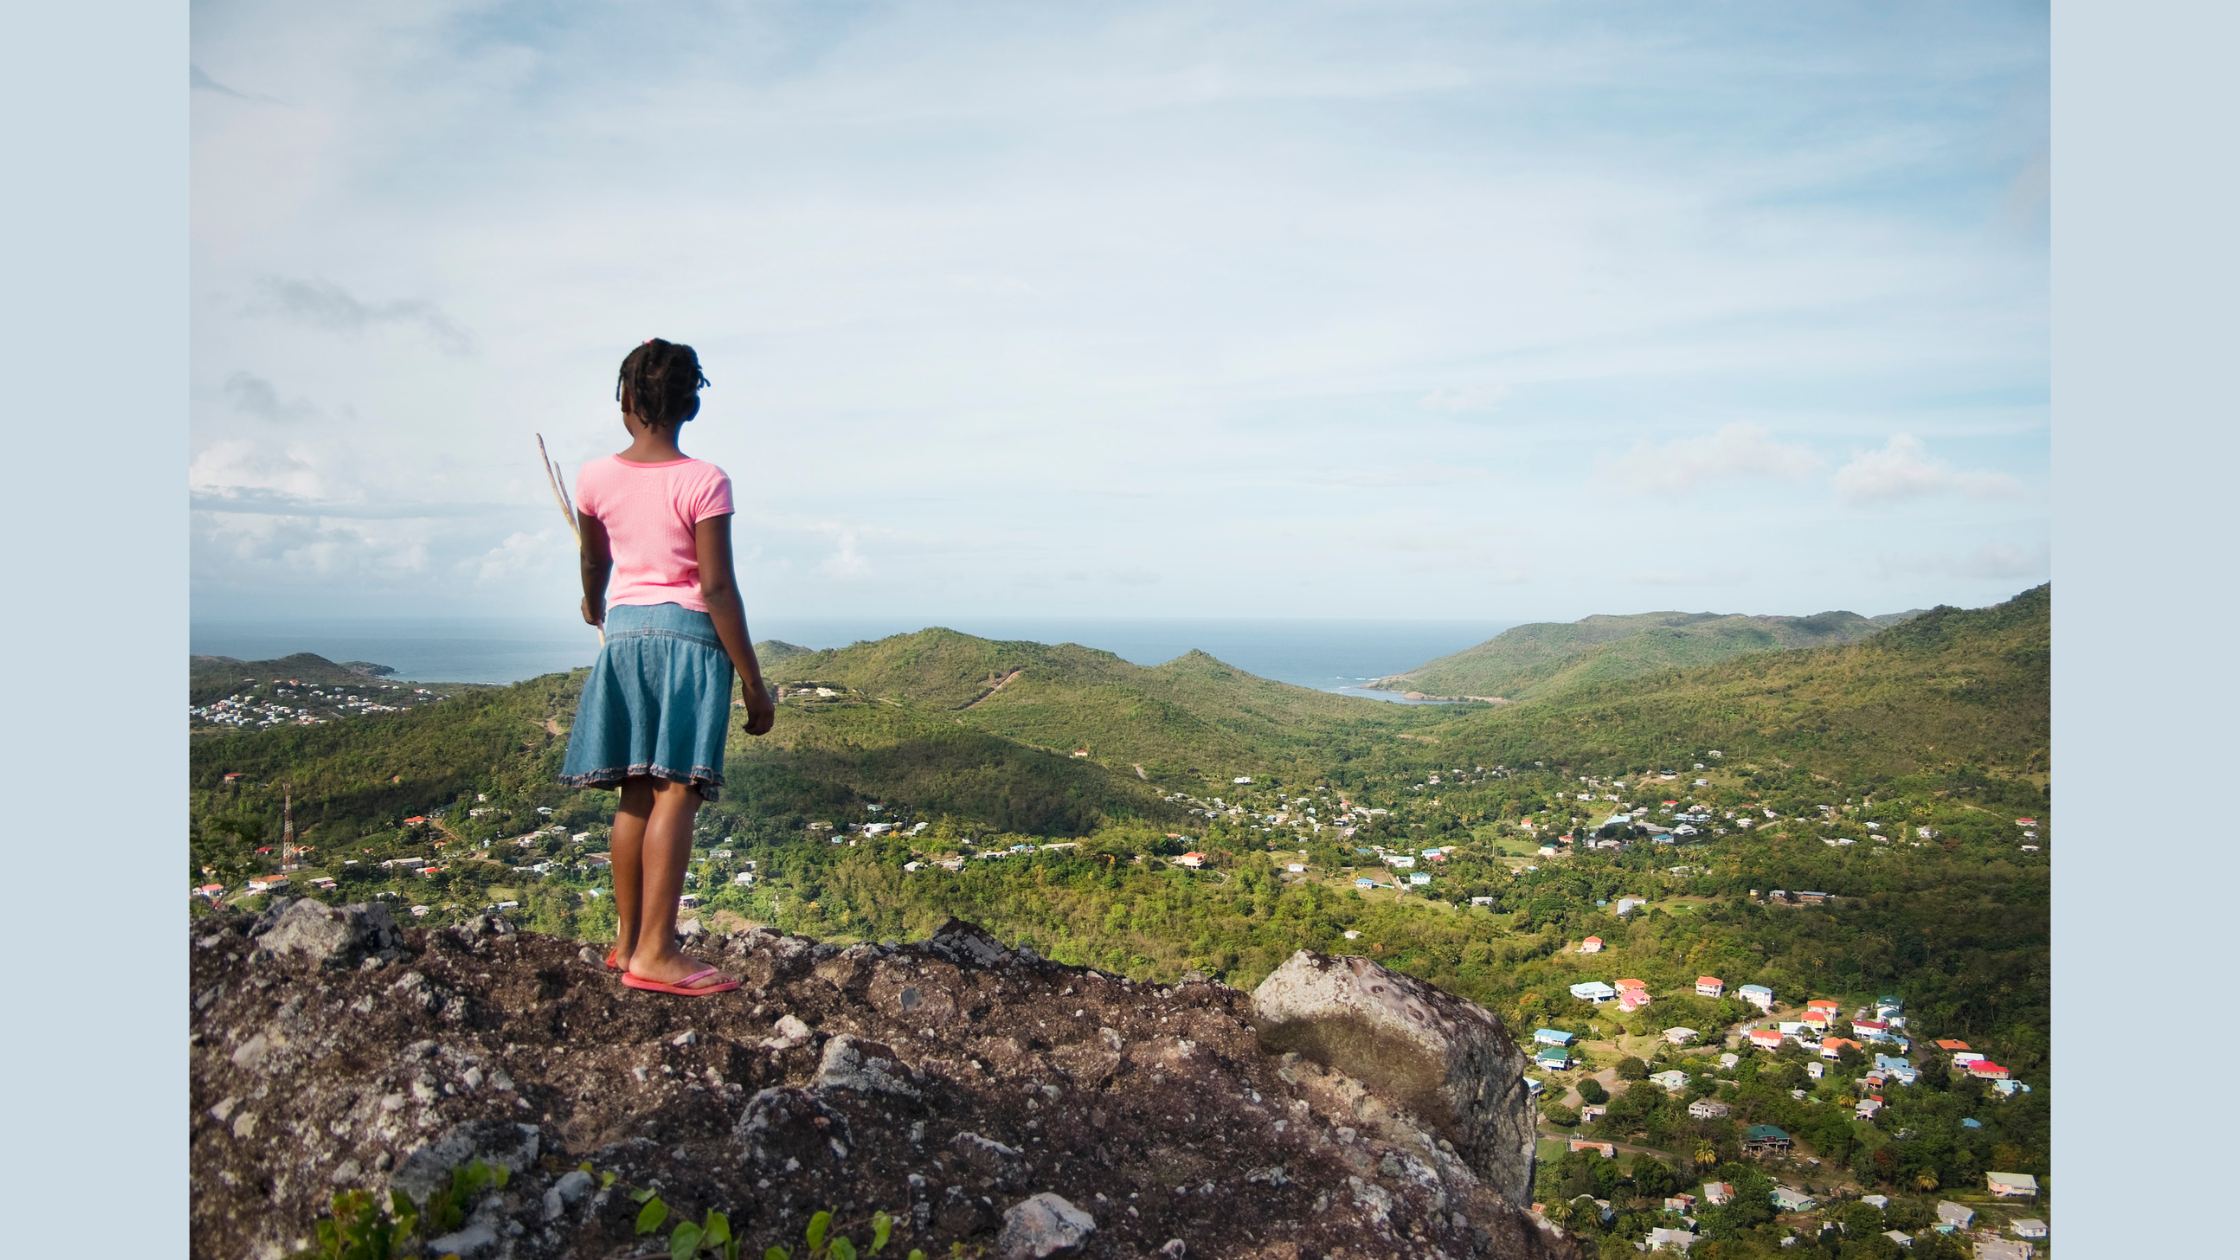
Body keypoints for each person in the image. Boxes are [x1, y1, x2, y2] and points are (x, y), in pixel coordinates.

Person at [559, 338, 777, 996]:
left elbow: (594, 562)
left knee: (634, 791)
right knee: (676, 790)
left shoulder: (594, 478)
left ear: (625, 401)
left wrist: (594, 603)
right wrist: (753, 682)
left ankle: (627, 942)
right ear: (690, 406)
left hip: (626, 638)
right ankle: (655, 951)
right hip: (689, 641)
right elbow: (716, 588)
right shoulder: (704, 481)